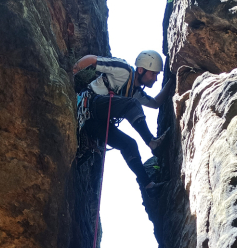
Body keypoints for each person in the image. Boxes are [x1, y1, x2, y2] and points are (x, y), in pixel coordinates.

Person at [72, 50, 173, 197]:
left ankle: (148, 185)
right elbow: (92, 59)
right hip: (91, 104)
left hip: (94, 123)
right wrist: (72, 72)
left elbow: (155, 103)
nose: (155, 78)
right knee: (132, 104)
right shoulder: (123, 69)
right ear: (141, 69)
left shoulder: (135, 91)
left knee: (129, 144)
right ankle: (152, 142)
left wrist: (172, 81)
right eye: (153, 74)